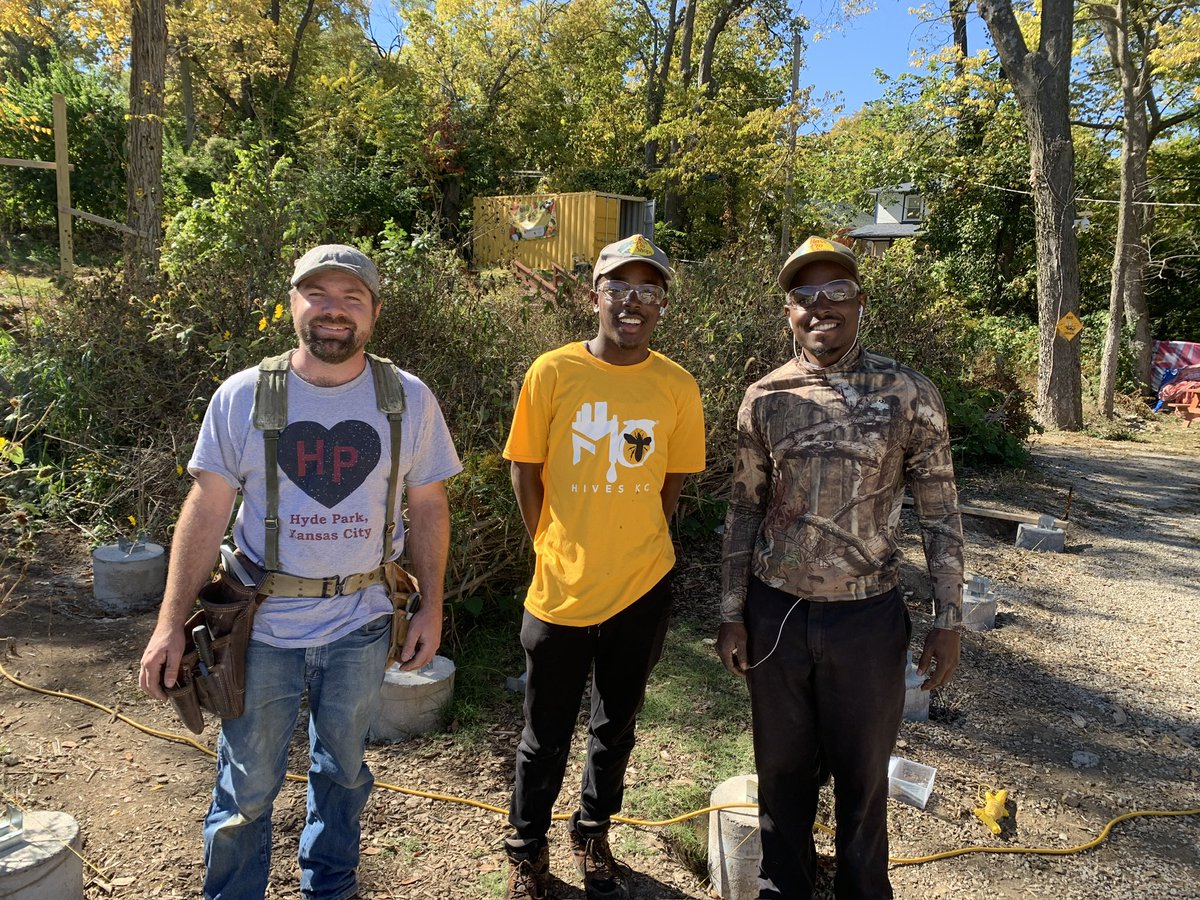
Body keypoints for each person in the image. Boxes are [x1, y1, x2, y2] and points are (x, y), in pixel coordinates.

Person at [138, 244, 462, 900]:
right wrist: (169, 624)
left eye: (351, 297)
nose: (333, 311)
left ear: (373, 313)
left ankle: (330, 890)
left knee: (343, 774)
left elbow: (428, 505)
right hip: (260, 632)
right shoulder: (244, 397)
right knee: (247, 791)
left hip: (363, 627)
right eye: (318, 295)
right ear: (292, 305)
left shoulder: (408, 399)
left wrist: (431, 605)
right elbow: (203, 513)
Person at [717, 236, 964, 899]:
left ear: (860, 302)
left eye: (837, 293)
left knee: (863, 782)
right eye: (804, 296)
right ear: (788, 310)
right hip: (776, 617)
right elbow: (744, 512)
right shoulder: (765, 397)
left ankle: (862, 890)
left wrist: (949, 620)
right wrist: (730, 614)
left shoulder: (908, 394)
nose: (821, 308)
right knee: (782, 776)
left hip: (868, 620)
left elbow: (940, 512)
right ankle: (784, 888)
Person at [502, 234, 706, 900]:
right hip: (559, 586)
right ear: (596, 296)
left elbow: (670, 487)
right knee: (545, 734)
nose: (633, 303)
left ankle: (592, 831)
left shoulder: (676, 386)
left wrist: (633, 542)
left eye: (648, 291)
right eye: (620, 288)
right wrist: (550, 542)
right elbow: (524, 470)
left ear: (662, 306)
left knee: (615, 725)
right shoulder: (553, 372)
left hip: (641, 588)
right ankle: (526, 852)